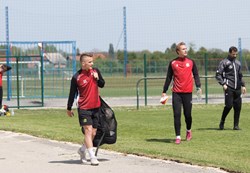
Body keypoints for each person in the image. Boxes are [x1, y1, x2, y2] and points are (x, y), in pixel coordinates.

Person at [67, 53, 105, 165]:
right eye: (90, 62)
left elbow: (102, 84)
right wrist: (69, 108)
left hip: (96, 107)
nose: (92, 64)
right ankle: (92, 156)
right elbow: (72, 93)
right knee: (88, 130)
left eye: (92, 62)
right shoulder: (76, 77)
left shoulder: (96, 71)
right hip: (84, 108)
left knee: (93, 133)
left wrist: (97, 79)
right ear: (83, 63)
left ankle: (82, 150)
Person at [162, 42, 201, 144]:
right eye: (183, 49)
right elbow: (169, 78)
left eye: (186, 48)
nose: (185, 50)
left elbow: (196, 74)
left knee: (187, 115)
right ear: (178, 51)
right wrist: (164, 91)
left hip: (188, 93)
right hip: (176, 93)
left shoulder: (191, 62)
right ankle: (178, 136)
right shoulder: (173, 63)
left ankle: (188, 131)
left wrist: (198, 86)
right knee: (177, 114)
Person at [216, 46, 246, 130]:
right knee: (229, 106)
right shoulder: (224, 62)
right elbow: (218, 74)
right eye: (233, 54)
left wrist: (243, 85)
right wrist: (223, 84)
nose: (235, 56)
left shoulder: (238, 63)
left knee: (238, 107)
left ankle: (236, 125)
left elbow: (240, 75)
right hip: (229, 87)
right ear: (229, 53)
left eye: (236, 54)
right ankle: (222, 121)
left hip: (237, 88)